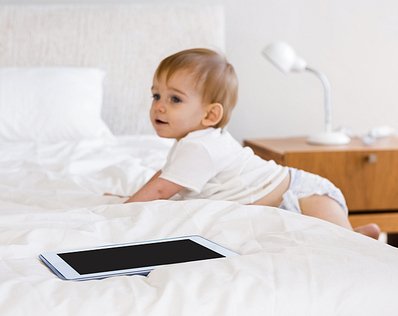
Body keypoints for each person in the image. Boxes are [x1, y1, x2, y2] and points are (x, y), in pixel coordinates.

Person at [123, 48, 380, 240]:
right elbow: (167, 178)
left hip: (302, 195)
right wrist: (135, 196)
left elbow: (160, 191)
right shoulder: (193, 143)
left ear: (210, 115)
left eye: (174, 99)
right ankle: (359, 232)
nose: (158, 105)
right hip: (285, 200)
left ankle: (358, 237)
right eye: (156, 95)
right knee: (327, 237)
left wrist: (126, 210)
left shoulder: (200, 147)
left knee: (341, 243)